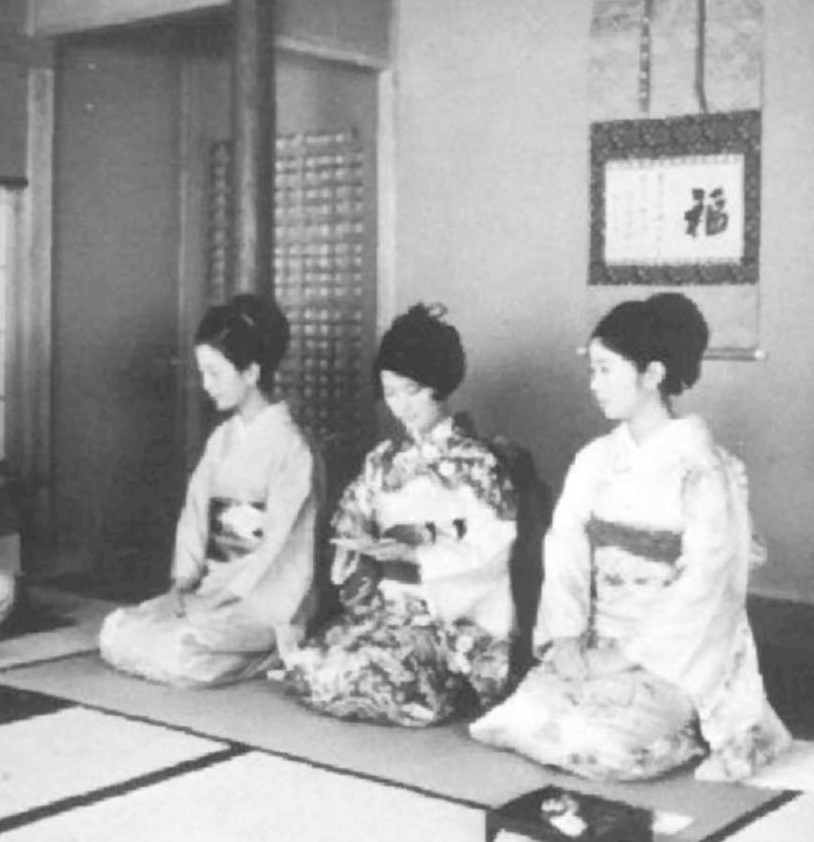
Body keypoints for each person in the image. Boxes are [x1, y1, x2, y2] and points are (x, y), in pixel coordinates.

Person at [469, 293, 791, 782]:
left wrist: (625, 656)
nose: (593, 385)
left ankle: (687, 727)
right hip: (598, 637)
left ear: (653, 374)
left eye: (604, 370)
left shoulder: (703, 467)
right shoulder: (594, 460)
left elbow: (704, 581)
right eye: (591, 370)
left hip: (673, 653)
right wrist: (569, 638)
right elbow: (566, 554)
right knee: (511, 723)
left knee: (602, 748)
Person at [279, 303, 518, 726]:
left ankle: (437, 682)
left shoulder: (477, 464)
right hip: (390, 609)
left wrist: (416, 557)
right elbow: (351, 513)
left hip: (442, 617)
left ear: (439, 385)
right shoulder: (384, 460)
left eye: (411, 391)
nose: (401, 406)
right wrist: (354, 539)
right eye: (390, 394)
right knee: (311, 666)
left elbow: (494, 550)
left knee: (364, 682)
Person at [98, 294, 319, 687]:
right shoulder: (222, 438)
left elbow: (280, 547)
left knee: (179, 649)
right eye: (202, 372)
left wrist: (220, 598)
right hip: (214, 586)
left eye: (215, 373)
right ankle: (234, 646)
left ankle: (273, 649)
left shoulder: (291, 448)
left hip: (264, 595)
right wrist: (183, 584)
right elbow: (196, 513)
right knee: (117, 632)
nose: (205, 385)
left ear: (250, 372)